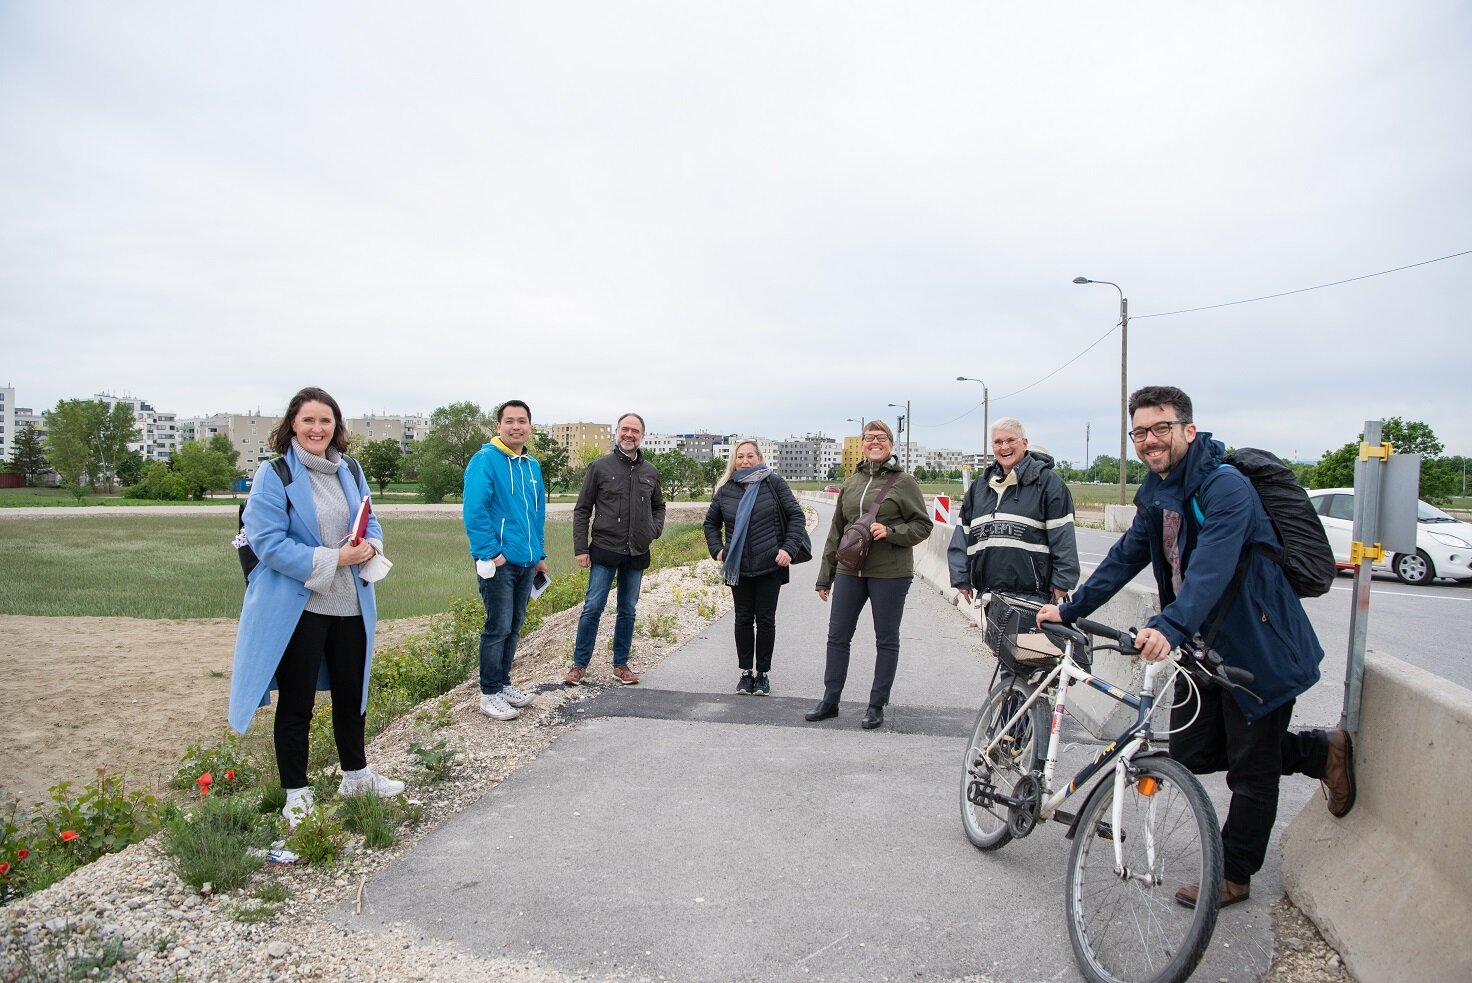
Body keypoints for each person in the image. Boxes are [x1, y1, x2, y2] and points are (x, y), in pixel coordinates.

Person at [1038, 385, 1356, 910]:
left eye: (1161, 428)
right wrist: (1071, 609)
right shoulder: (1159, 489)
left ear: (1188, 429)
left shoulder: (1225, 488)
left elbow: (1212, 568)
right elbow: (1124, 557)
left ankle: (1234, 874)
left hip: (1259, 647)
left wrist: (1168, 626)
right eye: (1139, 431)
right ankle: (1320, 752)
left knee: (1250, 773)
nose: (1149, 440)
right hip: (1204, 649)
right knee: (1194, 751)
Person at [229, 386, 404, 828]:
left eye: (325, 421)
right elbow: (267, 543)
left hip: (351, 603)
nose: (317, 428)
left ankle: (356, 775)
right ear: (292, 424)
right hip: (300, 608)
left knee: (352, 695)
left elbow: (371, 517)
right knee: (297, 703)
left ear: (336, 427)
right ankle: (296, 793)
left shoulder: (351, 469)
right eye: (308, 420)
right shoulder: (276, 475)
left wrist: (371, 544)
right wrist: (334, 559)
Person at [806, 421, 933, 729]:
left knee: (886, 639)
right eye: (869, 438)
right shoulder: (851, 483)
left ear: (891, 444)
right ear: (862, 444)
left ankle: (876, 704)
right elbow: (836, 532)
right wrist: (826, 577)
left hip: (890, 573)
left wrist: (891, 531)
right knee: (837, 636)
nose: (874, 442)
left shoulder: (904, 482)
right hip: (851, 570)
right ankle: (830, 700)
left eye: (881, 438)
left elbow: (922, 526)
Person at [564, 412, 666, 686]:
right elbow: (582, 509)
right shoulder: (599, 467)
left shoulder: (650, 472)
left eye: (635, 430)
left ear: (642, 436)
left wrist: (653, 530)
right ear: (617, 432)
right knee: (593, 607)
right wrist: (580, 548)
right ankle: (579, 666)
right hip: (604, 550)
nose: (629, 434)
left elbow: (659, 507)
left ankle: (621, 665)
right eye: (625, 429)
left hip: (637, 553)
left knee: (628, 610)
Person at [464, 399, 548, 722]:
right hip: (498, 562)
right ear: (498, 426)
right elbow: (475, 510)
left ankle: (503, 683)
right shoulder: (485, 460)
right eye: (509, 421)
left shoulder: (532, 466)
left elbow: (536, 514)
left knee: (514, 626)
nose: (516, 426)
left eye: (522, 421)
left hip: (526, 562)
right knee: (497, 626)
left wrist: (539, 554)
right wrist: (489, 553)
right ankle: (489, 693)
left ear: (529, 426)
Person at [703, 439, 806, 696]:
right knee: (743, 619)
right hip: (738, 567)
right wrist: (718, 550)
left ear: (759, 457)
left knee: (766, 620)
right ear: (734, 461)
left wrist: (788, 549)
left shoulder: (774, 484)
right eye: (740, 457)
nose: (745, 461)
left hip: (770, 565)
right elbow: (710, 524)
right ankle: (745, 673)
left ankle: (763, 675)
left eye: (750, 456)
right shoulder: (726, 490)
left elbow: (796, 516)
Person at [948, 417, 1080, 610]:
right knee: (996, 641)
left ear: (1024, 443)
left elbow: (1063, 536)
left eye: (1010, 440)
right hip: (990, 593)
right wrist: (961, 577)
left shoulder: (1049, 485)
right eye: (998, 442)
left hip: (1034, 596)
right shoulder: (980, 487)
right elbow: (962, 534)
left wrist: (1063, 580)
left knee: (1027, 641)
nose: (1004, 447)